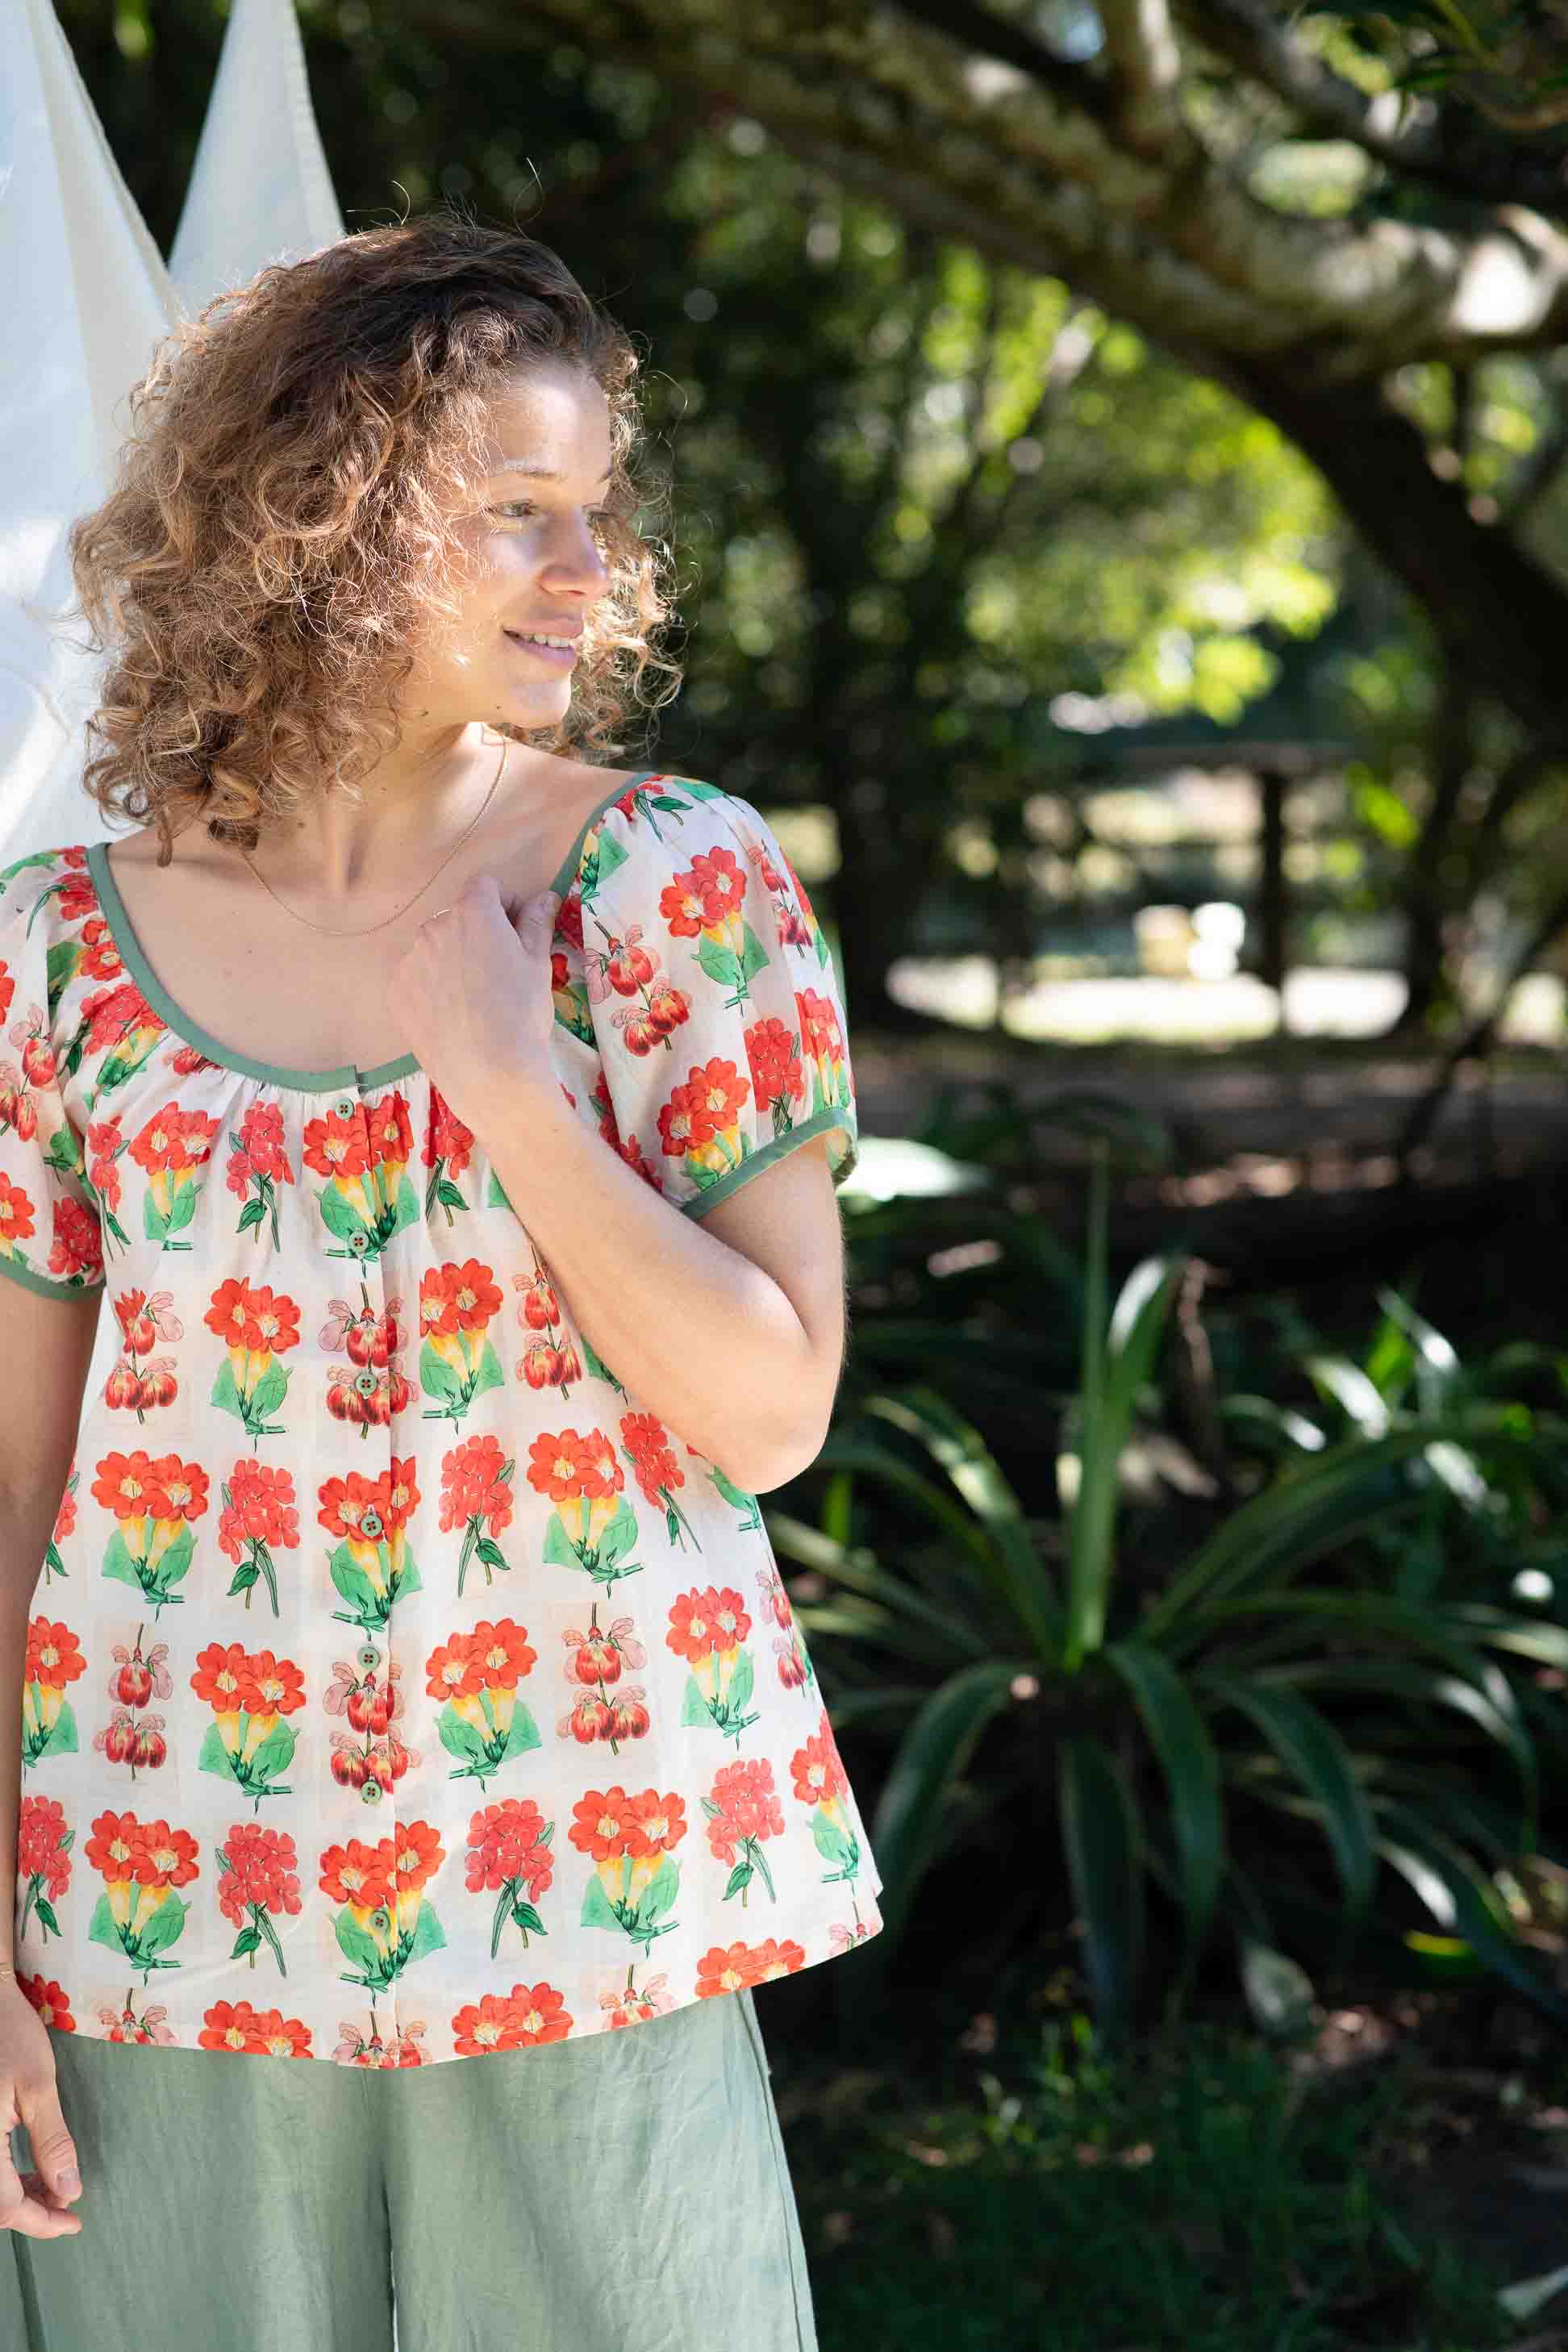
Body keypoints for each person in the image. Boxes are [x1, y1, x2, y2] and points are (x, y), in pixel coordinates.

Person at [0, 209, 882, 2352]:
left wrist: (501, 1066)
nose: (588, 572)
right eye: (515, 516)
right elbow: (10, 1497)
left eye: (595, 516)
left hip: (583, 1886)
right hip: (148, 1902)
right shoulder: (53, 953)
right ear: (326, 520)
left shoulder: (671, 884)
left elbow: (771, 1408)